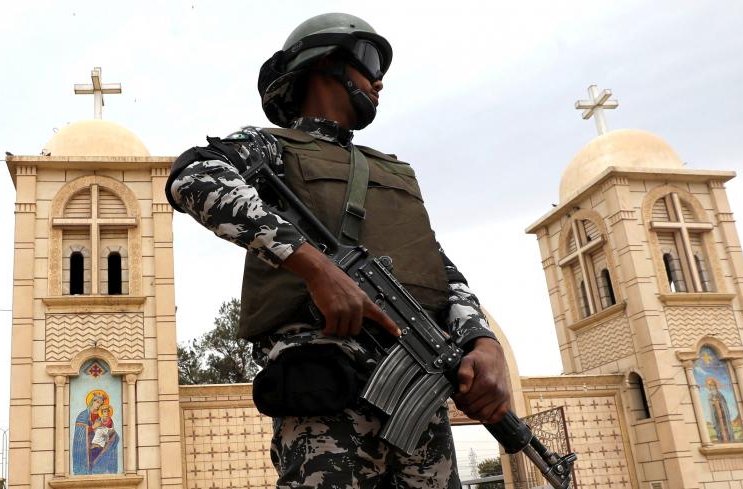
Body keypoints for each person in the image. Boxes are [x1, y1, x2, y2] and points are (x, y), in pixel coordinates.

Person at [166, 12, 511, 488]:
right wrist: (314, 268)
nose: (380, 81)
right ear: (324, 62)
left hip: (420, 400)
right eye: (369, 62)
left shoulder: (393, 173)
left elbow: (439, 269)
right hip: (328, 391)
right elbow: (193, 176)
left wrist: (483, 342)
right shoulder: (271, 148)